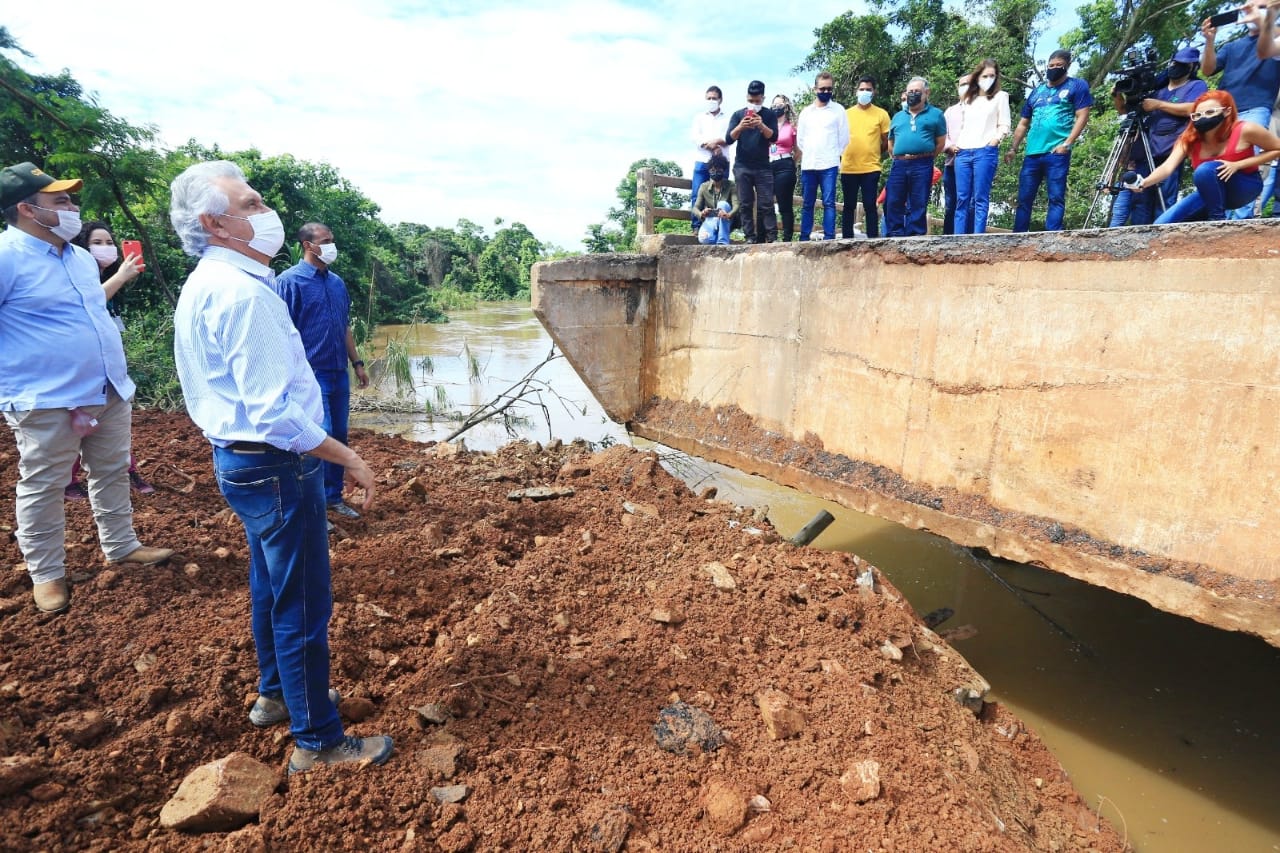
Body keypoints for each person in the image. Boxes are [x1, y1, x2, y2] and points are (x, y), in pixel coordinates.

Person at [168, 160, 392, 772]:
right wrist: (347, 457)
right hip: (275, 464)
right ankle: (318, 740)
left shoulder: (211, 282)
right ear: (215, 223)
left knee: (271, 584)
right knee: (302, 604)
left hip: (243, 464)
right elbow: (273, 415)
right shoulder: (244, 294)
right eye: (252, 202)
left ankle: (277, 695)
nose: (266, 211)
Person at [0, 162, 173, 613]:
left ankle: (121, 545)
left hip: (108, 388)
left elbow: (92, 313)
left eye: (71, 199)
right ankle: (47, 574)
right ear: (26, 209)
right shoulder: (6, 257)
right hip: (45, 398)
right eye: (60, 200)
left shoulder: (78, 257)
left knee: (112, 469)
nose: (73, 207)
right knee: (43, 484)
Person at [272, 223, 370, 520]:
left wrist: (357, 363)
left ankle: (332, 498)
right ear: (307, 245)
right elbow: (280, 332)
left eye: (332, 240)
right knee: (317, 436)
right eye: (326, 241)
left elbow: (344, 327)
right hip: (308, 375)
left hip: (338, 372)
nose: (331, 246)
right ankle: (312, 508)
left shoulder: (337, 283)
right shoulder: (289, 283)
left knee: (338, 434)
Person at [65, 221, 155, 500]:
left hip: (108, 370)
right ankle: (68, 480)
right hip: (79, 368)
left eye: (108, 242)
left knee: (109, 427)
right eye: (97, 243)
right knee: (78, 428)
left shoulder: (105, 277)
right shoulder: (76, 276)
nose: (105, 248)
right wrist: (121, 277)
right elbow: (88, 304)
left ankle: (126, 470)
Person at [1127, 90, 1280, 222]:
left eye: (1210, 112)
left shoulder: (1245, 129)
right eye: (1197, 115)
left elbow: (1277, 149)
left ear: (1226, 111)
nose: (1203, 118)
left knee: (1205, 170)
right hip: (1211, 191)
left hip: (1244, 185)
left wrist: (1238, 165)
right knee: (1162, 224)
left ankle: (1217, 222)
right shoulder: (1189, 138)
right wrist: (1144, 183)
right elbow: (1167, 167)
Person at [1112, 48, 1207, 226]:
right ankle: (1139, 237)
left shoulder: (1196, 86)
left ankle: (1161, 236)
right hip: (1145, 150)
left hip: (1170, 149)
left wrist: (1159, 105)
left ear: (1192, 66)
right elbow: (1126, 110)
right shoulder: (1157, 87)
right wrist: (1118, 96)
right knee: (1139, 198)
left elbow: (1194, 109)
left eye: (1181, 64)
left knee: (1164, 198)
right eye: (1173, 62)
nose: (1175, 66)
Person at [1007, 50, 1094, 232]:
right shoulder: (1037, 91)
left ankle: (1052, 235)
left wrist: (1067, 143)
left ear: (1067, 66)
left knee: (1055, 197)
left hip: (1056, 152)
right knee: (1024, 199)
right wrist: (1013, 147)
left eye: (1058, 65)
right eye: (1051, 65)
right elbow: (1023, 123)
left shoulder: (1076, 86)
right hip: (1032, 153)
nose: (1054, 68)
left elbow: (1082, 115)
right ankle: (1018, 237)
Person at [1207, 2, 1280, 217]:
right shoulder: (1232, 46)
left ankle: (1239, 223)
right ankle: (1219, 221)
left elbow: (1265, 50)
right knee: (1218, 166)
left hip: (1257, 108)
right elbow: (1208, 69)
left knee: (1248, 166)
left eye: (1261, 5)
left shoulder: (1274, 36)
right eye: (1248, 5)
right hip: (1224, 112)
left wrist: (1266, 20)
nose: (1251, 9)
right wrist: (1210, 41)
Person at [953, 60, 1011, 234]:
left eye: (992, 76)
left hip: (985, 151)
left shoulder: (1001, 96)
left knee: (980, 198)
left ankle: (978, 237)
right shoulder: (968, 99)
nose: (988, 79)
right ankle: (957, 239)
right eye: (985, 76)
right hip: (963, 151)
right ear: (977, 77)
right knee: (962, 198)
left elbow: (1005, 124)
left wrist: (995, 140)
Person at [885, 77, 947, 237]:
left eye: (917, 92)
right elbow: (891, 142)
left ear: (926, 93)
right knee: (893, 200)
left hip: (922, 163)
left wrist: (925, 155)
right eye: (910, 92)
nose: (912, 94)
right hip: (899, 163)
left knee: (918, 201)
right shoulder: (898, 116)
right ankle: (895, 235)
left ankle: (915, 237)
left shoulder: (936, 115)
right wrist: (900, 155)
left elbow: (940, 142)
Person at [796, 72, 849, 241]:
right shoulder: (806, 112)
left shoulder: (838, 110)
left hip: (829, 164)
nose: (825, 91)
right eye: (822, 88)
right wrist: (814, 151)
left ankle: (829, 238)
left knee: (828, 203)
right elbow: (801, 140)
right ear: (815, 89)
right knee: (807, 204)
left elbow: (844, 138)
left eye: (829, 89)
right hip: (809, 164)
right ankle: (804, 238)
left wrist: (832, 154)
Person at [726, 80, 779, 243]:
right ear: (746, 98)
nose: (753, 104)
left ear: (763, 98)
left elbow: (774, 137)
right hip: (742, 166)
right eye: (750, 101)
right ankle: (749, 236)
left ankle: (771, 236)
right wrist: (741, 126)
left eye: (757, 101)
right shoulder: (737, 115)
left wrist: (761, 125)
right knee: (745, 203)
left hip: (763, 166)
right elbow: (729, 139)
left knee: (767, 203)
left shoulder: (769, 115)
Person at [840, 76, 890, 239]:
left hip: (871, 167)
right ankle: (847, 239)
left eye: (868, 89)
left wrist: (873, 151)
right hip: (848, 167)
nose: (865, 92)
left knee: (870, 204)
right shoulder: (846, 114)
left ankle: (873, 239)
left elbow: (886, 140)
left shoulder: (881, 114)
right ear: (856, 92)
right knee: (848, 205)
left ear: (873, 92)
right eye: (862, 89)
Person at [690, 86, 729, 231]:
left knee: (722, 196)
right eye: (709, 98)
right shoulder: (699, 118)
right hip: (702, 160)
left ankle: (718, 228)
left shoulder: (727, 118)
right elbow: (695, 137)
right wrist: (711, 146)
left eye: (714, 98)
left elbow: (730, 136)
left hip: (721, 162)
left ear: (720, 100)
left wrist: (717, 143)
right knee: (697, 194)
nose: (711, 101)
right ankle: (697, 226)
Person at [770, 95, 799, 241]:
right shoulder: (768, 125)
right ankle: (769, 236)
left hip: (785, 165)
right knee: (766, 203)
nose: (776, 107)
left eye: (779, 104)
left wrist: (790, 162)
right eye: (774, 105)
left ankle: (787, 238)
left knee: (784, 204)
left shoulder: (791, 126)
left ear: (786, 106)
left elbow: (798, 150)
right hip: (768, 165)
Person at [942, 76, 968, 235]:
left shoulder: (982, 111)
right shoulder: (950, 111)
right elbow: (942, 135)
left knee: (970, 203)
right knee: (951, 204)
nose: (965, 87)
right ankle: (948, 240)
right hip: (951, 164)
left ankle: (971, 238)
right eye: (962, 84)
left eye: (968, 84)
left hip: (973, 165)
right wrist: (950, 146)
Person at [694, 154, 738, 245]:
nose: (716, 172)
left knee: (723, 204)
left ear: (723, 170)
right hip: (712, 219)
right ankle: (716, 238)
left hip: (727, 219)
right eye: (713, 170)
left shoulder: (731, 185)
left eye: (719, 169)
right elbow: (695, 208)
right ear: (709, 170)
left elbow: (736, 205)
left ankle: (722, 242)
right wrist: (701, 213)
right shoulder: (704, 187)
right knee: (703, 239)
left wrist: (729, 214)